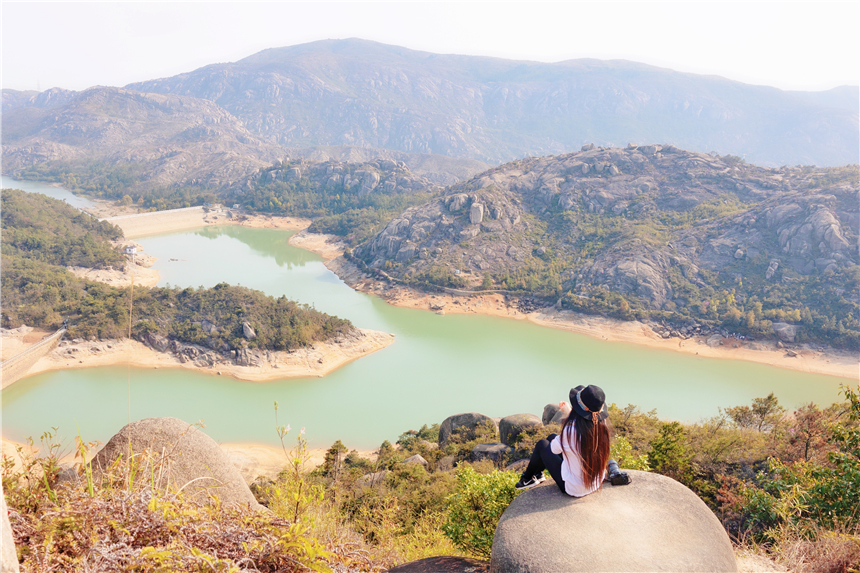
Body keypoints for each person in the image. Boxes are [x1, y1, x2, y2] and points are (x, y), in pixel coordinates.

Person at [515, 384, 623, 497]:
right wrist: (570, 412)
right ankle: (537, 474)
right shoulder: (601, 424)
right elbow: (585, 426)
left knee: (542, 444)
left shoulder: (570, 432)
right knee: (552, 437)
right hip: (595, 483)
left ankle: (527, 479)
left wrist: (569, 414)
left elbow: (554, 449)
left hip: (575, 489)